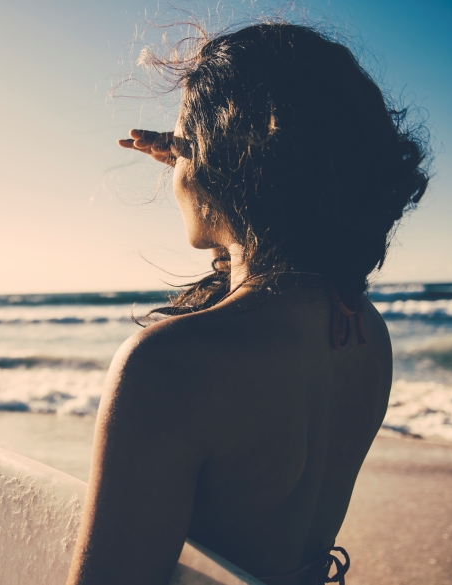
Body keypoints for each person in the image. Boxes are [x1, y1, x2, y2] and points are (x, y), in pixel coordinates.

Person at [65, 23, 429, 585]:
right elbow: (262, 266)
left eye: (184, 145)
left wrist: (208, 181)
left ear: (221, 161)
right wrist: (210, 174)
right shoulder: (361, 330)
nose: (175, 172)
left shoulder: (167, 365)